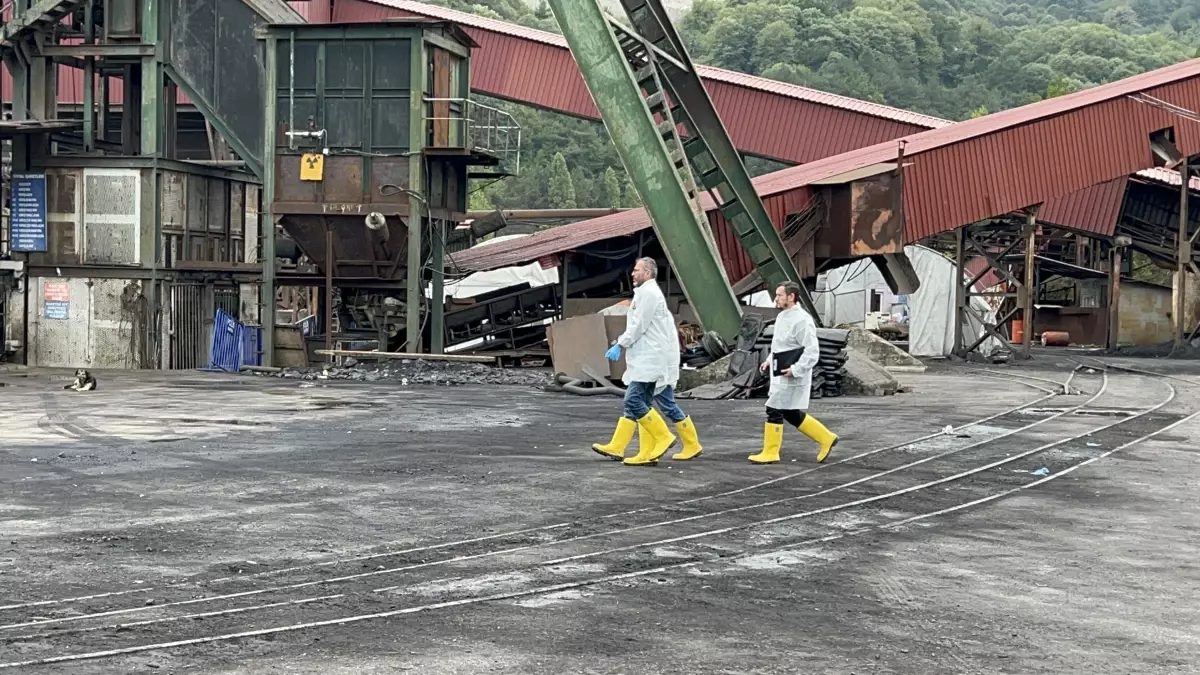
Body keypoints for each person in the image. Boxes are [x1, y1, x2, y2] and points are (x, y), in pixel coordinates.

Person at [592, 257, 703, 466]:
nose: (633, 274)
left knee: (637, 401)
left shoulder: (649, 294)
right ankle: (631, 448)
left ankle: (662, 439)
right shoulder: (644, 293)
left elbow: (639, 326)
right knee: (646, 403)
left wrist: (620, 344)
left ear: (648, 272)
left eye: (637, 270)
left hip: (651, 359)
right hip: (648, 358)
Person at [749, 281, 839, 464]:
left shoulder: (802, 320)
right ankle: (826, 437)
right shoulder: (782, 317)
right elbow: (780, 344)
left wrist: (796, 369)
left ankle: (771, 452)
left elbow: (812, 351)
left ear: (791, 297)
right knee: (789, 412)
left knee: (773, 409)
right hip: (781, 370)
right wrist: (769, 361)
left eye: (780, 295)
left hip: (792, 374)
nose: (776, 298)